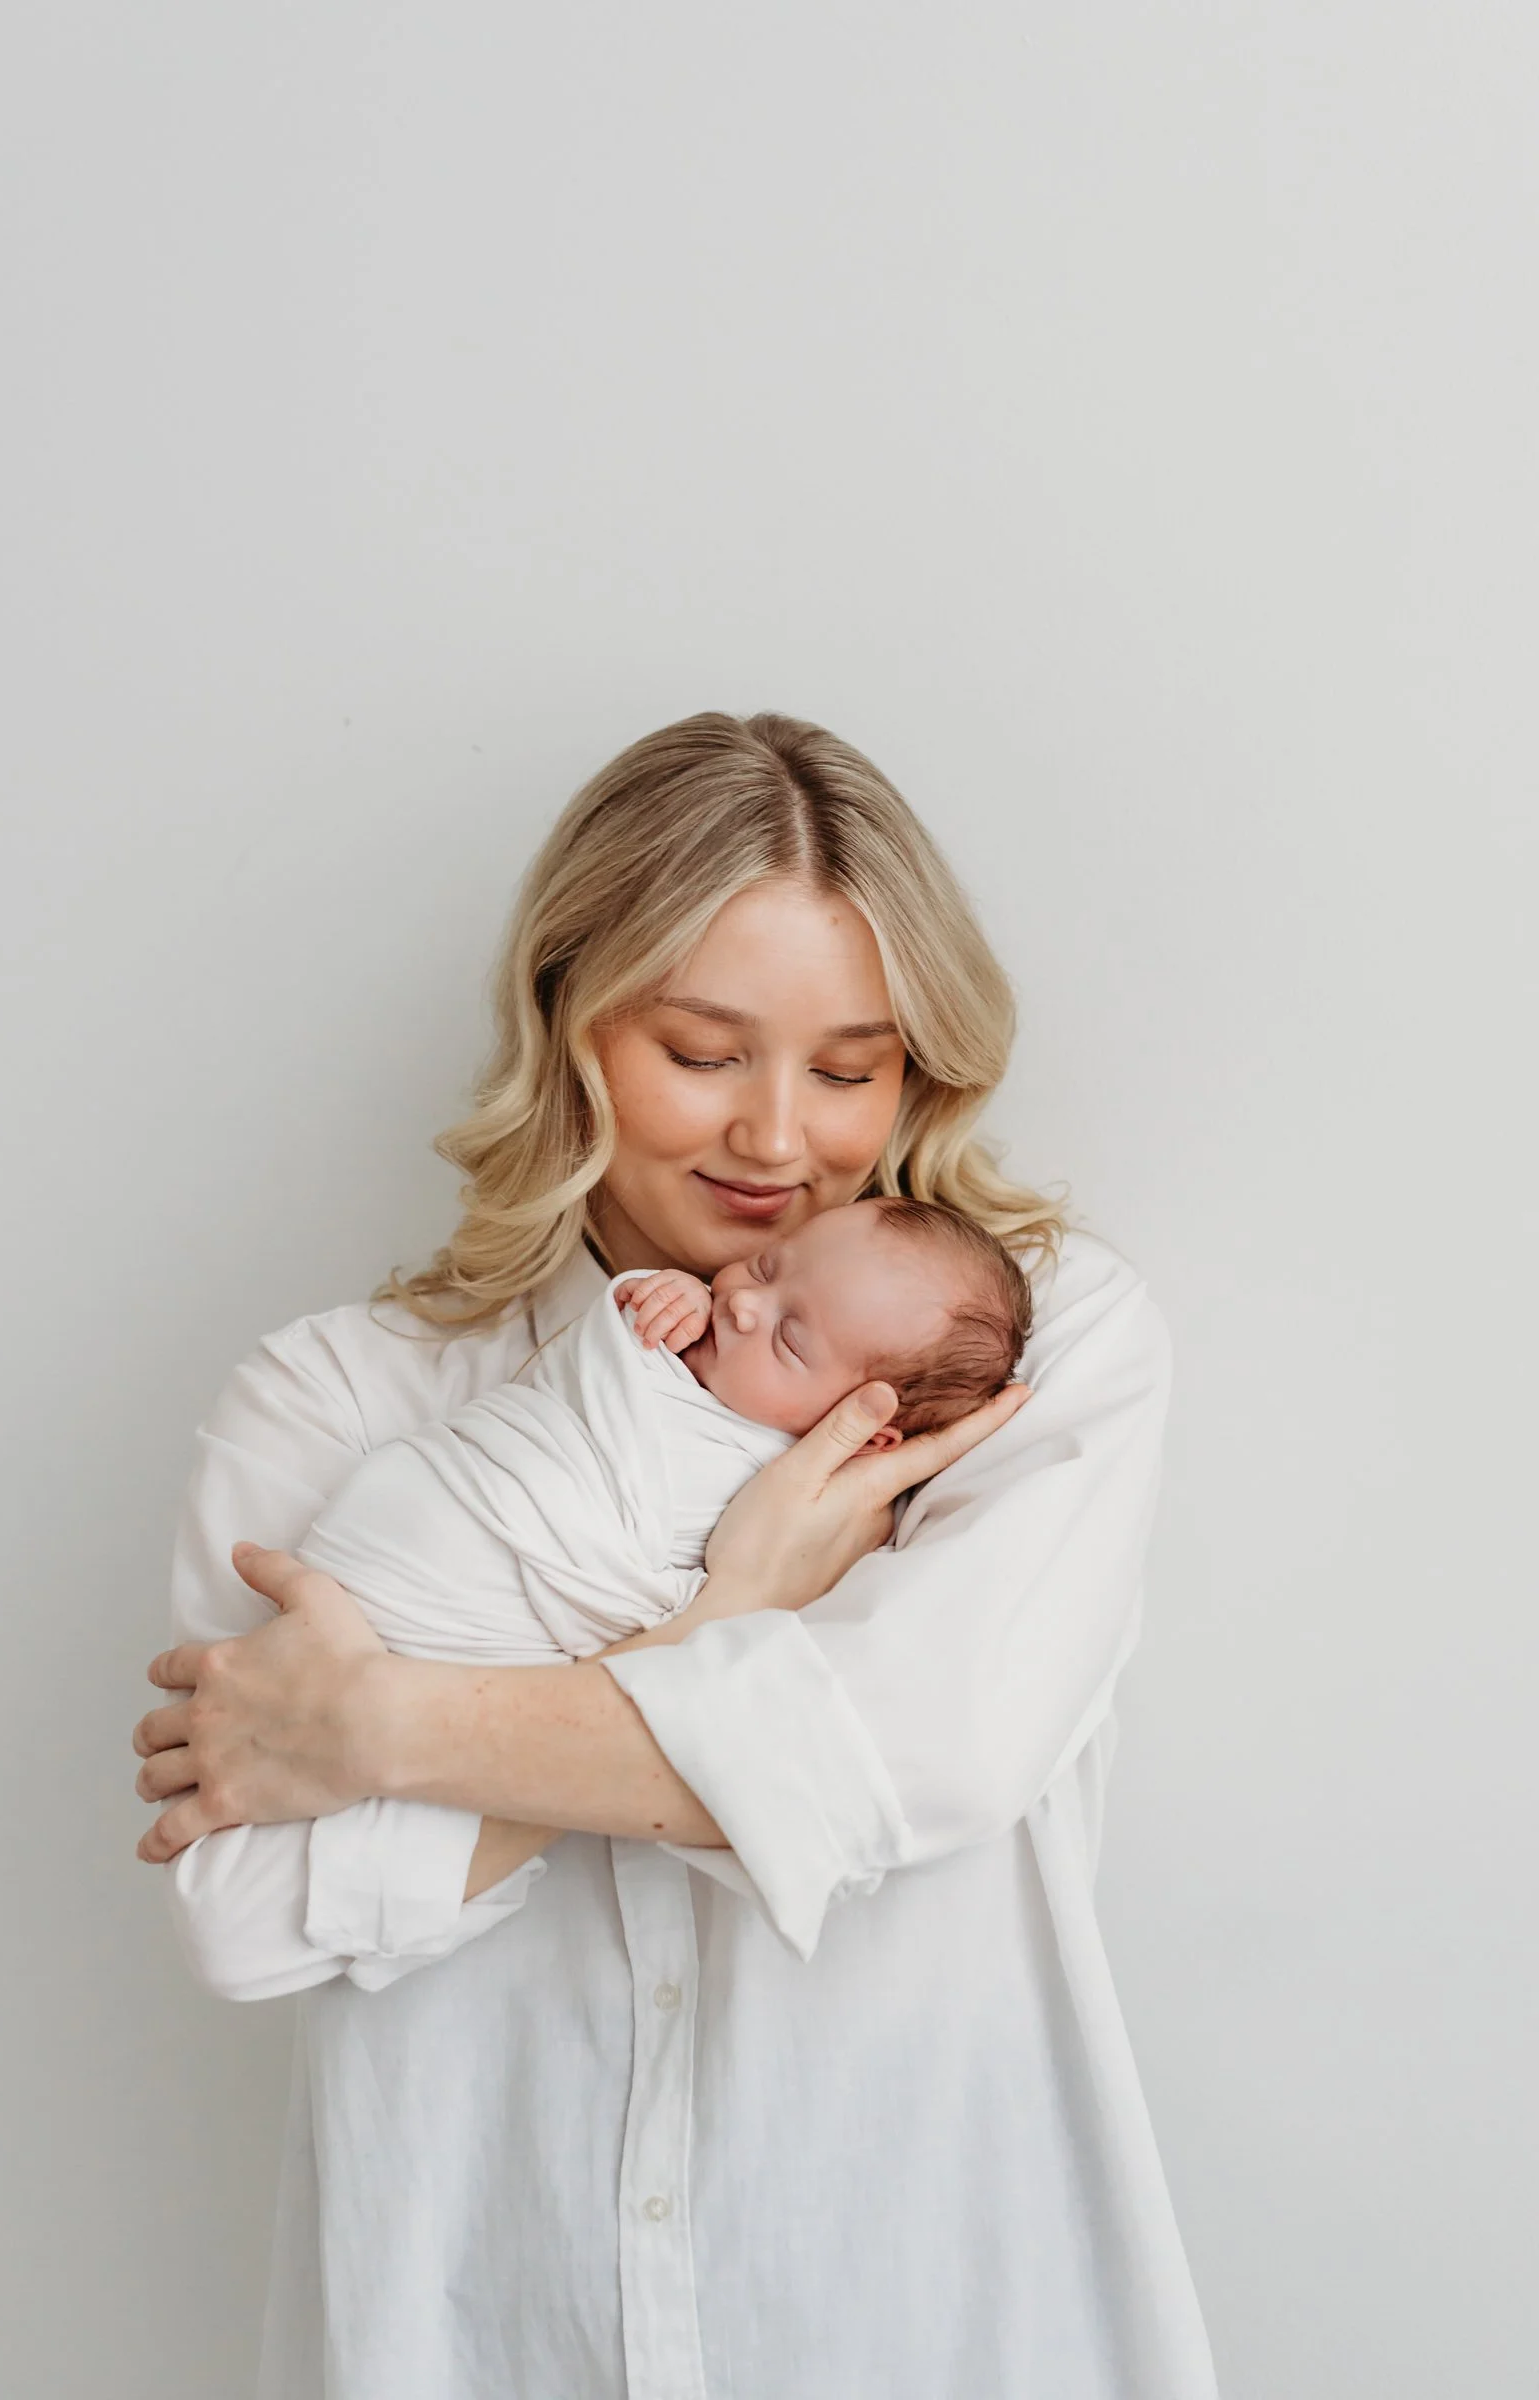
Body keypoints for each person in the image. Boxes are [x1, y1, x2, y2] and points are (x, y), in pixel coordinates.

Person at [134, 710, 1219, 2399]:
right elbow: (249, 1917)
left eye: (849, 1070)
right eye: (706, 1053)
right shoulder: (339, 1398)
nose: (779, 1142)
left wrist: (381, 1731)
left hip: (930, 2320)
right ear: (566, 1021)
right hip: (475, 2334)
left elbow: (912, 1758)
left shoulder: (1021, 1355)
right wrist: (743, 1623)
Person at [168, 1197, 1033, 2002]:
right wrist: (648, 1310)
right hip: (412, 1536)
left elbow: (900, 1769)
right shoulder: (332, 1374)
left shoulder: (833, 1506)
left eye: (791, 1341)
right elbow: (599, 1373)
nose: (741, 1307)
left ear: (867, 1427)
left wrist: (368, 1724)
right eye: (766, 1269)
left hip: (502, 1608)